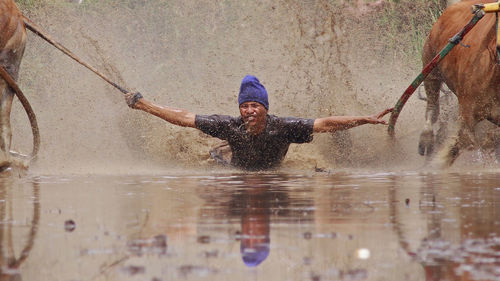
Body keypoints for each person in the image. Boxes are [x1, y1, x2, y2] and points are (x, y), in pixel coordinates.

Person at [125, 75, 393, 170]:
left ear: (265, 108)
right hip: (235, 166)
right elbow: (185, 118)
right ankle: (220, 150)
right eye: (244, 106)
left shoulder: (284, 127)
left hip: (270, 168)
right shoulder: (229, 125)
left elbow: (325, 124)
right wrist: (144, 104)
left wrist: (364, 119)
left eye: (255, 105)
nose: (249, 111)